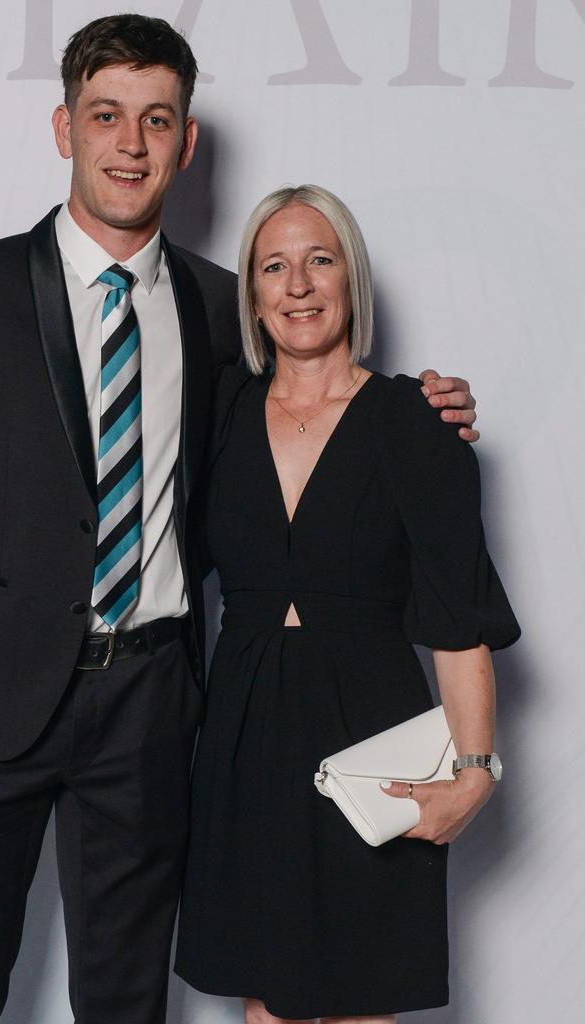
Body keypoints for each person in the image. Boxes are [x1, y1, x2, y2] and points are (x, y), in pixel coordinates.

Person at [0, 14, 479, 1024]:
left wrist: (423, 403)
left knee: (124, 993)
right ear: (63, 127)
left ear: (188, 141)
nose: (133, 143)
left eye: (158, 120)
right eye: (107, 116)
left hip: (151, 703)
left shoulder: (221, 309)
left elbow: (315, 402)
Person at [174, 185, 520, 1024]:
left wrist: (475, 773)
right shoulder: (216, 412)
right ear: (251, 297)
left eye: (319, 261)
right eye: (274, 266)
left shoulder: (417, 422)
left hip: (373, 736)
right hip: (246, 732)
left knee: (364, 999)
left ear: (350, 280)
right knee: (270, 1002)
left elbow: (457, 619)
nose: (298, 285)